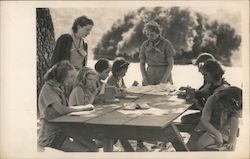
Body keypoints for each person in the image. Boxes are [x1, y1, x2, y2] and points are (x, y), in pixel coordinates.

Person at [38, 60, 97, 152]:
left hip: (64, 131)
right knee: (86, 151)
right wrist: (84, 107)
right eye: (70, 77)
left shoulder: (59, 88)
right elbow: (61, 110)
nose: (72, 80)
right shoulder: (48, 89)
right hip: (52, 137)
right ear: (61, 76)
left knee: (92, 146)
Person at [181, 59, 230, 124]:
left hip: (215, 120)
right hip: (208, 114)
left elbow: (212, 112)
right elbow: (200, 93)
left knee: (186, 120)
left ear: (213, 73)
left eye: (205, 75)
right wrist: (189, 91)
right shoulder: (213, 84)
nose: (204, 78)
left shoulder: (221, 89)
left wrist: (197, 104)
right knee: (185, 119)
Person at [195, 86, 242, 151]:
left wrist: (232, 141)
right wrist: (217, 134)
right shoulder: (212, 99)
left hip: (225, 130)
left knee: (229, 148)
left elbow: (234, 122)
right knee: (200, 145)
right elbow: (204, 120)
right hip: (210, 128)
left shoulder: (239, 103)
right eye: (224, 106)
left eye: (228, 109)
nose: (226, 109)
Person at [140, 20, 175, 86]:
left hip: (164, 73)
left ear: (158, 33)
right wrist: (144, 77)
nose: (150, 37)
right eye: (148, 34)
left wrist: (164, 79)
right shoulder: (144, 45)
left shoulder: (166, 44)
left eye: (152, 35)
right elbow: (142, 63)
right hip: (150, 75)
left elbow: (170, 64)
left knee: (164, 94)